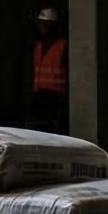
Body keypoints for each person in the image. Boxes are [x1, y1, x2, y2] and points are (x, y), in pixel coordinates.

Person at [29, 7, 69, 135]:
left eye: (45, 24)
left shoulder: (62, 46)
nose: (42, 27)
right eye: (41, 23)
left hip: (55, 95)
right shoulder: (38, 46)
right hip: (40, 93)